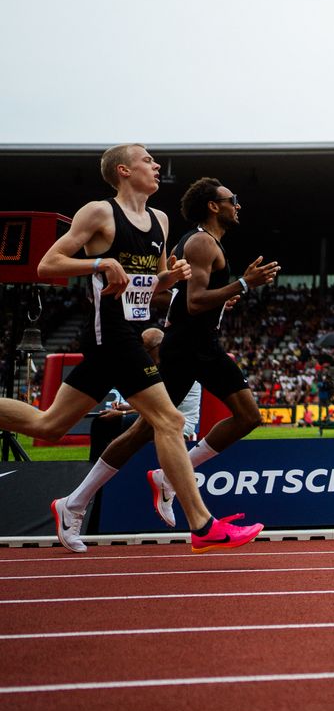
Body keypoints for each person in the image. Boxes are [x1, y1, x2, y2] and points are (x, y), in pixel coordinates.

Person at [0, 145, 262, 553]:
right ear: (123, 170)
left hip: (130, 333)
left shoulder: (159, 220)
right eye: (147, 160)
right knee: (170, 422)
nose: (156, 166)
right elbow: (47, 266)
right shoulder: (99, 212)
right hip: (112, 336)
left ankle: (69, 505)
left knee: (48, 426)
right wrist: (98, 265)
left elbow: (152, 288)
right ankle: (203, 525)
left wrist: (170, 278)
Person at [53, 177, 281, 543]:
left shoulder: (203, 242)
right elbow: (194, 302)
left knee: (233, 418)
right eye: (231, 199)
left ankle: (137, 484)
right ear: (212, 205)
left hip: (200, 344)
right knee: (154, 427)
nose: (237, 205)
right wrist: (243, 284)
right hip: (189, 348)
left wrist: (224, 297)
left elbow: (171, 299)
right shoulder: (202, 243)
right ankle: (78, 502)